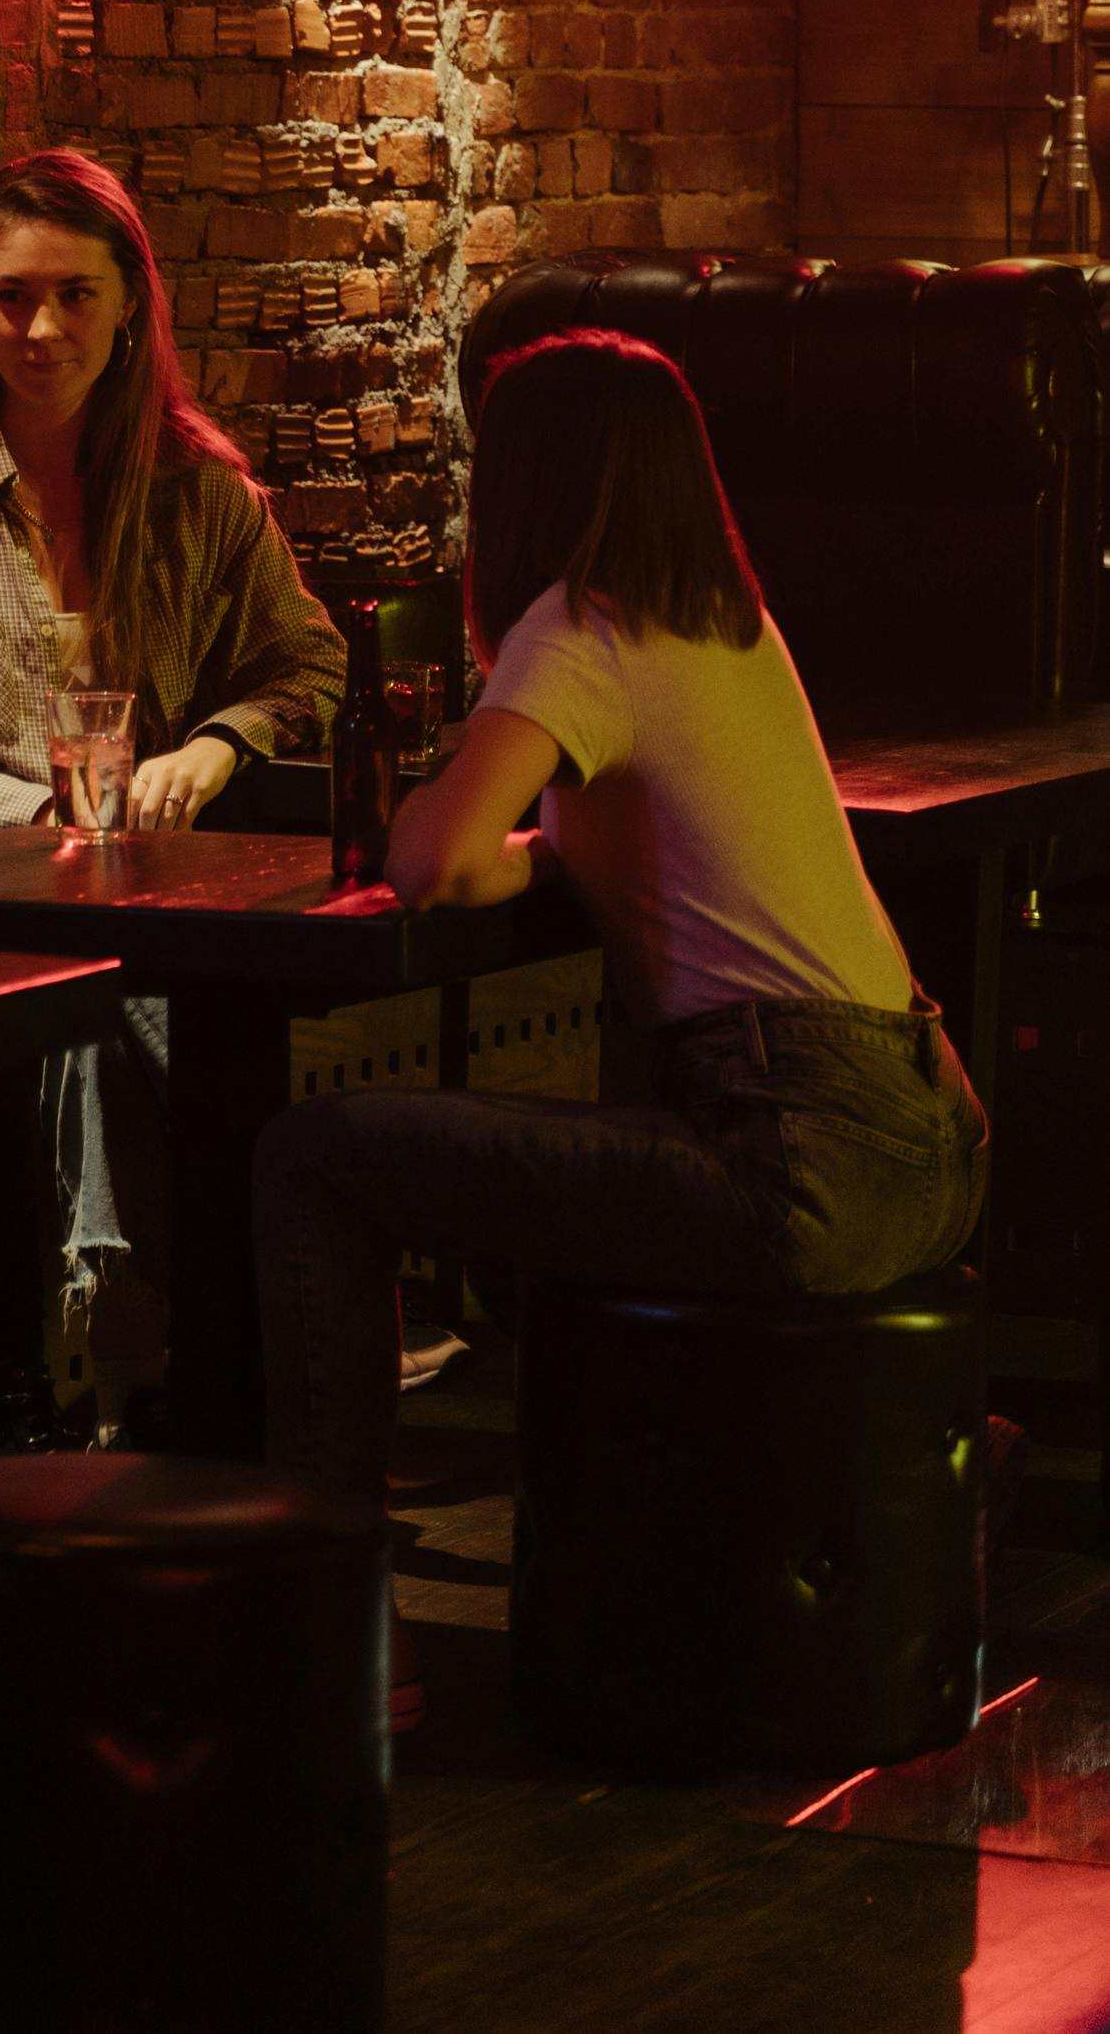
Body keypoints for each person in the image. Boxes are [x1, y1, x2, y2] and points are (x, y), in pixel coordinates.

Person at [252, 330, 988, 1722]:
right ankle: (882, 1466)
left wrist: (492, 834)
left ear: (520, 484)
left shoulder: (579, 629)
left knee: (308, 1156)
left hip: (795, 1161)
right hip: (932, 1140)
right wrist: (547, 848)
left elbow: (430, 861)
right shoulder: (728, 623)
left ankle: (332, 1629)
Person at [0, 146, 346, 1415]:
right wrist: (31, 809)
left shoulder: (196, 490)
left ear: (130, 304)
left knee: (192, 1020)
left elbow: (310, 659)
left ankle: (205, 1389)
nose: (39, 328)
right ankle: (120, 1368)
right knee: (109, 1016)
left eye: (74, 295)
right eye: (10, 296)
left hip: (151, 903)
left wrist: (218, 742)